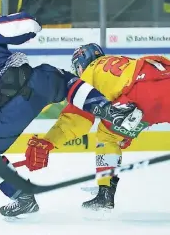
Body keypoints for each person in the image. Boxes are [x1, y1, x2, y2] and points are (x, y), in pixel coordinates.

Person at [0, 6, 144, 219]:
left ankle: (21, 197)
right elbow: (27, 26)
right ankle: (112, 112)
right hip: (32, 86)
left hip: (4, 115)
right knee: (64, 81)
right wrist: (32, 23)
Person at [23, 43, 170, 211]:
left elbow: (77, 118)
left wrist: (48, 142)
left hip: (141, 93)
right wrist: (126, 133)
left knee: (107, 138)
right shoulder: (124, 61)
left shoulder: (91, 71)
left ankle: (105, 194)